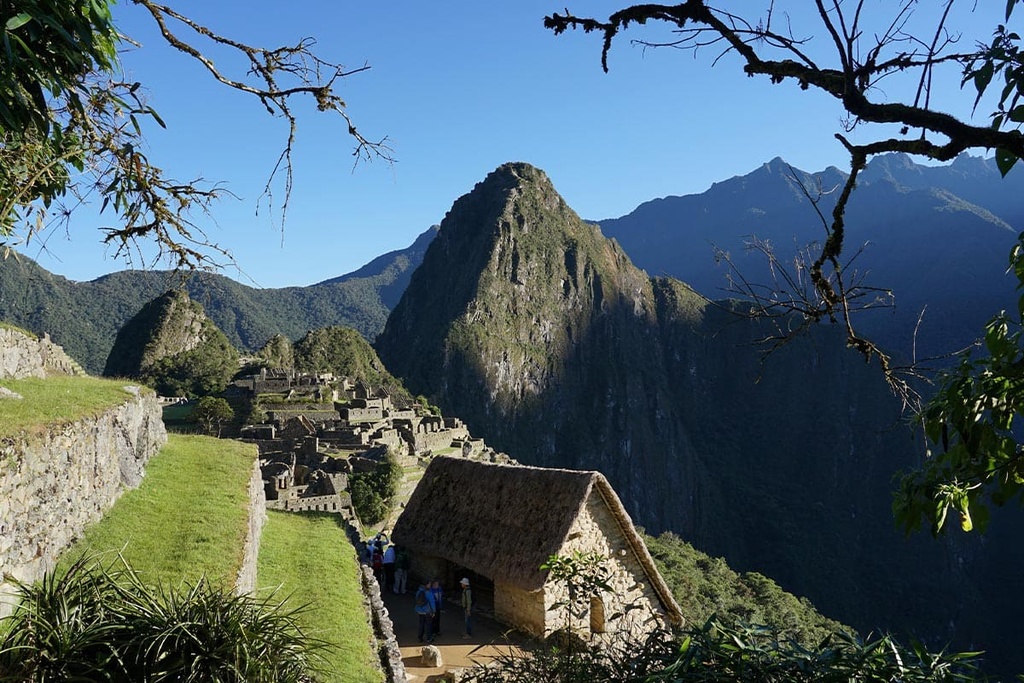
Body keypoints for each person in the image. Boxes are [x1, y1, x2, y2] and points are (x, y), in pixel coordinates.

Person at [414, 578, 436, 643]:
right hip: (427, 611)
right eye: (429, 584)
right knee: (428, 625)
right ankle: (429, 638)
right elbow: (432, 602)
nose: (430, 585)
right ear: (427, 585)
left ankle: (420, 637)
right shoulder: (428, 593)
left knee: (421, 624)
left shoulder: (418, 592)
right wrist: (434, 611)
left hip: (420, 611)